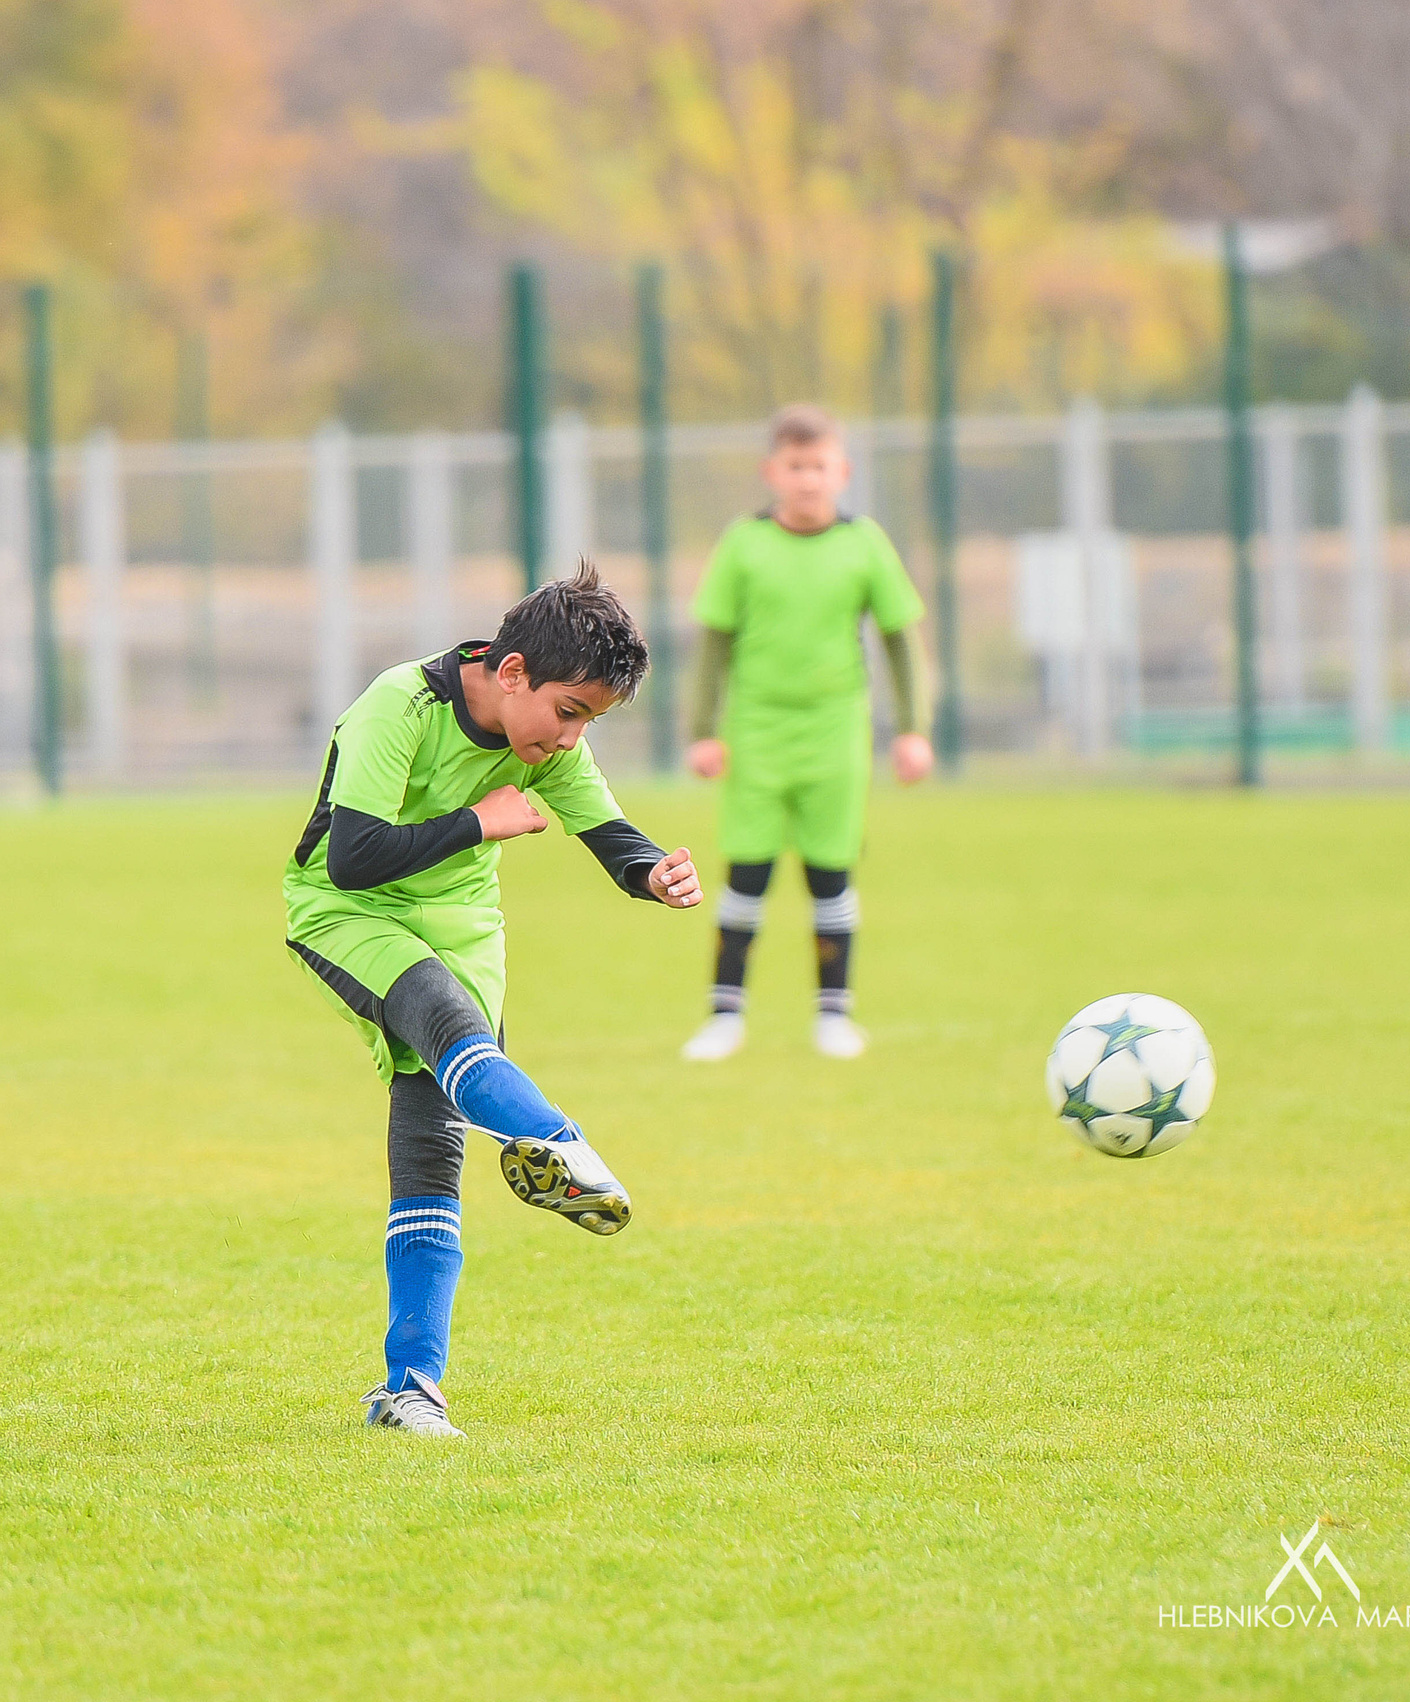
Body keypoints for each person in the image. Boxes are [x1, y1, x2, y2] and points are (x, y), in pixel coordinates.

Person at [284, 563, 702, 1439]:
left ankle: (410, 1391)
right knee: (446, 1020)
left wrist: (653, 871)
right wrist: (482, 819)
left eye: (587, 720)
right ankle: (558, 1140)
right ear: (512, 673)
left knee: (432, 1149)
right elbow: (352, 855)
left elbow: (608, 831)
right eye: (568, 712)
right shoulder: (398, 706)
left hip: (464, 921)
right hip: (347, 908)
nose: (569, 738)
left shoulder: (542, 741)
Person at [680, 403, 932, 1065]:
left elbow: (901, 640)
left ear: (841, 470)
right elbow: (714, 642)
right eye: (795, 466)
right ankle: (724, 1015)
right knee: (746, 874)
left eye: (819, 465)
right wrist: (703, 730)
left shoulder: (864, 543)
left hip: (836, 733)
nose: (808, 479)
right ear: (773, 471)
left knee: (830, 875)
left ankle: (834, 1016)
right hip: (756, 732)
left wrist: (913, 730)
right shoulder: (744, 543)